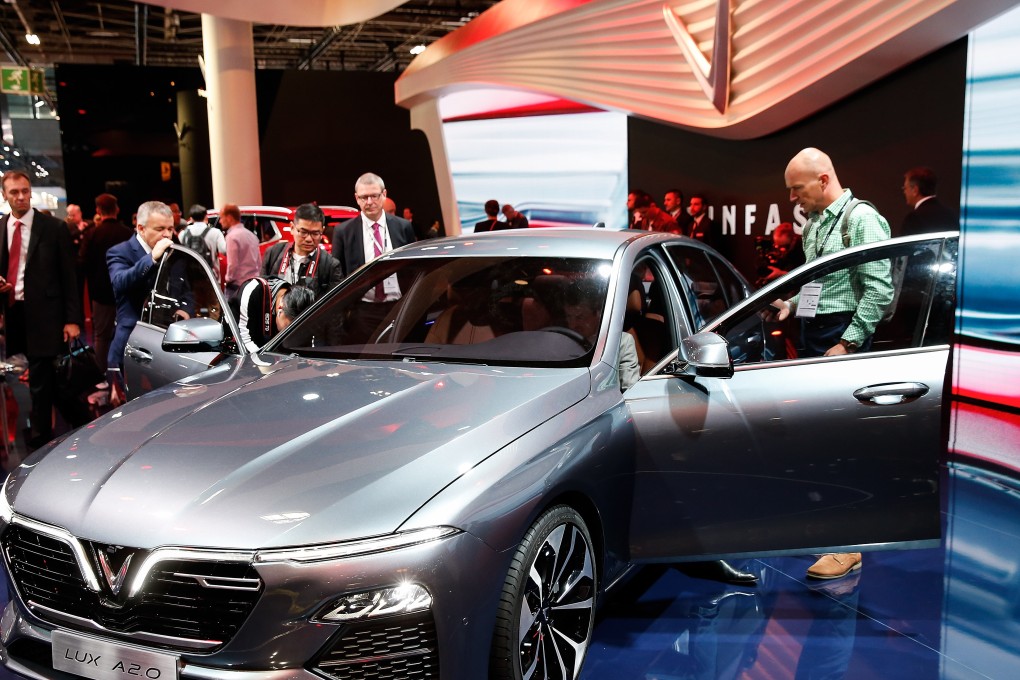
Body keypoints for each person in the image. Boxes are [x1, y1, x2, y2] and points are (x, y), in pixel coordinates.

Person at [773, 147, 894, 580]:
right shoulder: (816, 224)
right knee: (819, 442)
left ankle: (849, 545)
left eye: (797, 189)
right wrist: (792, 305)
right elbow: (817, 283)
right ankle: (825, 528)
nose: (792, 199)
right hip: (814, 336)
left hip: (842, 339)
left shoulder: (862, 219)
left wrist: (848, 342)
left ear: (823, 180)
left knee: (845, 445)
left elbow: (879, 289)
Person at [1, 170, 89, 449]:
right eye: (14, 192)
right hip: (14, 313)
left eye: (25, 191)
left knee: (41, 379)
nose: (21, 196)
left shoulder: (52, 227)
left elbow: (69, 277)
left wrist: (73, 319)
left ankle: (41, 441)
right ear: (4, 195)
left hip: (47, 315)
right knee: (50, 381)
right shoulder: (2, 226)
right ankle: (83, 423)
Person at [106, 201, 179, 387]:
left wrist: (186, 308)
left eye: (170, 228)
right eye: (160, 229)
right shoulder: (119, 252)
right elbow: (120, 282)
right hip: (133, 344)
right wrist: (151, 258)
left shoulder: (174, 250)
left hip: (167, 343)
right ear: (141, 228)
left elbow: (184, 287)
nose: (167, 234)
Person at [79, 193, 132, 373]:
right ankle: (128, 373)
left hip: (100, 294)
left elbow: (82, 263)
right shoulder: (128, 233)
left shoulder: (92, 234)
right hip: (126, 292)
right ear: (117, 209)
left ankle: (100, 375)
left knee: (101, 337)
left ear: (98, 211)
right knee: (129, 334)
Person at [331, 172, 417, 276]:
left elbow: (414, 265)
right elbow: (337, 274)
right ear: (357, 198)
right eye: (364, 197)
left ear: (384, 194)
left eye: (374, 196)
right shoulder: (343, 232)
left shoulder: (403, 226)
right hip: (363, 287)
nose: (369, 202)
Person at [563, 281, 640, 391]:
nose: (573, 324)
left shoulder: (621, 342)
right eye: (569, 317)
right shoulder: (559, 341)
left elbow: (629, 389)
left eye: (580, 317)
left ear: (598, 314)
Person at [261, 203, 343, 297]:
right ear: (292, 228)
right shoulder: (273, 253)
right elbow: (262, 291)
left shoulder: (330, 265)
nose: (309, 239)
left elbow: (336, 301)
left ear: (322, 231)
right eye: (303, 232)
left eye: (315, 233)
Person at [237, 278, 315, 353]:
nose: (291, 335)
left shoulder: (296, 300)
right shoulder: (252, 291)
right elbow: (244, 342)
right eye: (288, 328)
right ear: (280, 308)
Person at [901, 166, 959, 236]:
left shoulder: (913, 219)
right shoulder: (952, 215)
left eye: (905, 188)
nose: (904, 192)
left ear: (915, 190)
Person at [220, 203, 261, 301]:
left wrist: (228, 279)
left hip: (237, 286)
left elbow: (233, 264)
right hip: (254, 284)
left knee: (230, 310)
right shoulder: (252, 235)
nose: (220, 221)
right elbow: (259, 262)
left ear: (229, 218)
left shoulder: (232, 237)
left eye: (221, 217)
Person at [179, 204, 226, 272]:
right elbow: (223, 251)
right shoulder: (216, 232)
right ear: (206, 217)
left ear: (191, 219)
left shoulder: (183, 234)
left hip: (189, 274)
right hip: (210, 273)